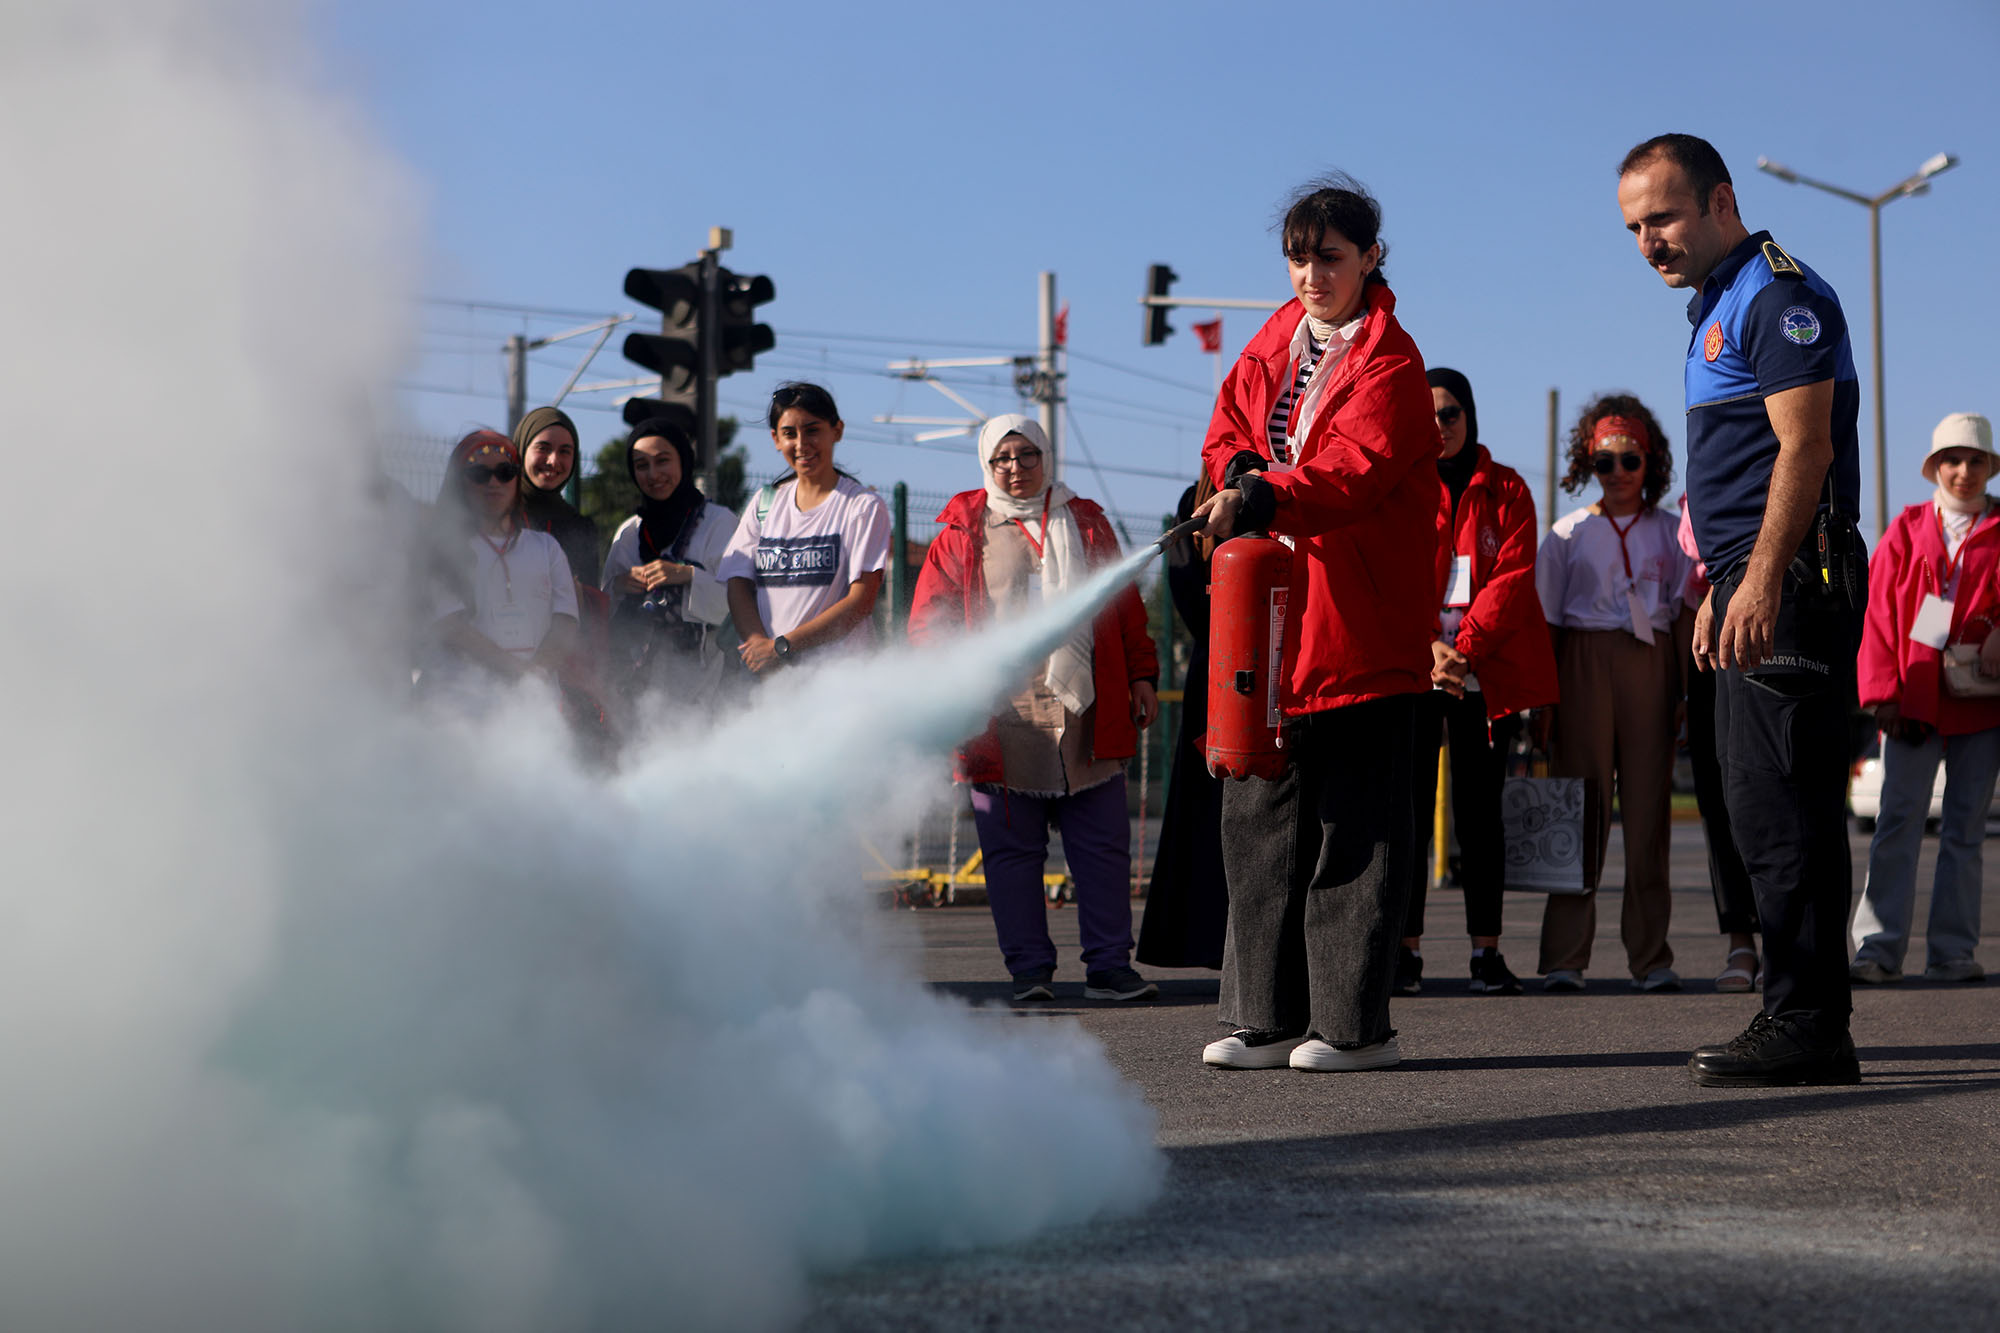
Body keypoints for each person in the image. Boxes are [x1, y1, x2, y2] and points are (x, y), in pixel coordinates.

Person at [1618, 132, 1868, 1086]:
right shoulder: (1716, 303)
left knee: (1786, 807)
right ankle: (1799, 1013)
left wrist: (1761, 579)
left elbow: (1803, 451)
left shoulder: (1779, 294)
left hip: (1790, 582)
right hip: (1744, 582)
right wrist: (1723, 583)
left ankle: (1808, 1020)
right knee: (1756, 807)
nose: (1650, 240)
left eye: (1664, 217)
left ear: (1721, 201)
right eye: (1635, 227)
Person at [1191, 174, 1439, 1073]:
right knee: (1258, 817)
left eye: (1328, 257)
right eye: (1297, 257)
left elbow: (1352, 473)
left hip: (1360, 626)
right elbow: (1223, 433)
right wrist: (1238, 467)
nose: (1309, 274)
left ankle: (1352, 1026)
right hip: (1267, 627)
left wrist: (1262, 489)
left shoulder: (1393, 365)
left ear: (1370, 258)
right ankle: (1260, 1014)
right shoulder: (1269, 346)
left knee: (1356, 832)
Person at [909, 415, 1162, 1001]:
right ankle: (1029, 972)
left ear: (1047, 456)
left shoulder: (1088, 521)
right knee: (1010, 851)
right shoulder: (962, 529)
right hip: (1000, 714)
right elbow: (931, 619)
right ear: (985, 464)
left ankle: (1108, 968)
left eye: (1027, 455)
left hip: (1086, 706)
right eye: (1002, 458)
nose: (1016, 468)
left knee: (1101, 848)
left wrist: (1143, 673)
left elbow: (1124, 606)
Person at [1533, 395, 1693, 993]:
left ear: (1649, 463)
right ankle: (1565, 957)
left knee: (1649, 811)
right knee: (1578, 806)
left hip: (1649, 663)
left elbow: (1681, 617)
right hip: (1583, 660)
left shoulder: (1673, 534)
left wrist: (1681, 694)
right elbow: (1546, 621)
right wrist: (1542, 703)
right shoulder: (1568, 534)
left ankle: (1651, 956)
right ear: (1587, 465)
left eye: (1630, 460)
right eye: (1605, 462)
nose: (1619, 473)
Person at [1407, 367, 1557, 997]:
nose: (1439, 426)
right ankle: (1404, 953)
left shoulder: (1507, 489)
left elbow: (1513, 578)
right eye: (1429, 414)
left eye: (1451, 414)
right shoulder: (1399, 486)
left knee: (1480, 816)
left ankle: (1485, 953)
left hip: (1480, 675)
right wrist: (1430, 646)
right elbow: (1390, 579)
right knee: (1408, 815)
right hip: (1415, 671)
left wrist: (1462, 651)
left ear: (1470, 417)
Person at [1851, 412, 2000, 986]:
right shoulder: (1906, 527)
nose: (1963, 471)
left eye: (1975, 460)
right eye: (1952, 460)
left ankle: (1952, 952)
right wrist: (1882, 695)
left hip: (1982, 701)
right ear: (1935, 467)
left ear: (1989, 467)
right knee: (1897, 822)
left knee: (1965, 830)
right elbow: (1878, 615)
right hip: (1911, 696)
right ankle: (1877, 949)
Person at [719, 382, 890, 673]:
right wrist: (759, 646)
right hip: (772, 683)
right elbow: (737, 583)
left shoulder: (863, 507)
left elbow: (860, 602)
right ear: (775, 439)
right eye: (789, 434)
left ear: (837, 430)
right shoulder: (765, 503)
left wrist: (781, 648)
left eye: (812, 430)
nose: (801, 444)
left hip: (839, 685)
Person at [1135, 482, 1229, 972]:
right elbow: (1184, 583)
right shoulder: (1196, 498)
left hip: (1282, 664)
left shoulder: (1287, 487)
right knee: (1206, 808)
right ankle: (1203, 943)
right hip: (1217, 665)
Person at [1676, 496, 1762, 992]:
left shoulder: (1773, 449)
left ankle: (1793, 942)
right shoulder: (1698, 483)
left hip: (1768, 619)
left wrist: (1721, 589)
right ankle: (1740, 940)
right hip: (1707, 644)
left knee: (1775, 788)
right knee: (1717, 795)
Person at [599, 417, 738, 716]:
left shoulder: (718, 522)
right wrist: (621, 585)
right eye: (641, 465)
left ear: (684, 461)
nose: (653, 474)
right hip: (633, 691)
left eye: (663, 461)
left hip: (702, 689)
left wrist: (687, 575)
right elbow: (605, 610)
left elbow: (736, 604)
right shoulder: (629, 533)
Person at [424, 429, 579, 694]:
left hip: (532, 704)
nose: (493, 482)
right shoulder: (442, 547)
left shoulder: (547, 547)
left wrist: (537, 673)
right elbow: (451, 626)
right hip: (461, 706)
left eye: (505, 472)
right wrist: (521, 673)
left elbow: (566, 621)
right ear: (459, 482)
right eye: (479, 474)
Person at [513, 405, 601, 588]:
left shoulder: (581, 528)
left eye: (564, 451)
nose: (553, 461)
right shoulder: (500, 516)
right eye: (543, 448)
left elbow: (590, 610)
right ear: (522, 450)